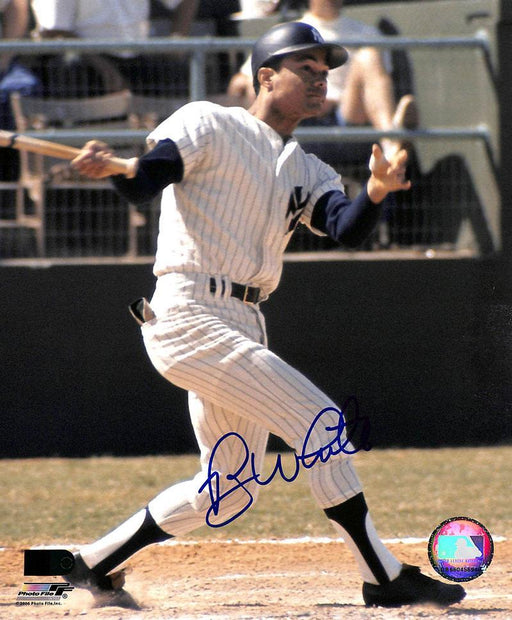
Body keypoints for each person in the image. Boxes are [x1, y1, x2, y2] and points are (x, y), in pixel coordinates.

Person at [67, 21, 465, 610]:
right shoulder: (209, 122)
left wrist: (377, 192)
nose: (319, 80)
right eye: (306, 68)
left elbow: (345, 228)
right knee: (321, 424)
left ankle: (80, 567)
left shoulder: (307, 167)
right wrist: (115, 168)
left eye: (324, 72)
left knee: (227, 493)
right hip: (188, 311)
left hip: (244, 319)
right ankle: (382, 578)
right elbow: (146, 180)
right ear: (266, 76)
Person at [228, 0, 417, 163]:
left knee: (369, 56)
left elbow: (377, 84)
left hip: (348, 117)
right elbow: (247, 80)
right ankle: (256, 148)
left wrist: (327, 100)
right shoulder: (288, 33)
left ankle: (392, 143)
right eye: (307, 64)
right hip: (299, 120)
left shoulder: (367, 33)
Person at [30, 0, 200, 96]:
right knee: (70, 66)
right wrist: (104, 68)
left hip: (138, 57)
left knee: (175, 71)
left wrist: (177, 39)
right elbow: (53, 32)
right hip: (85, 60)